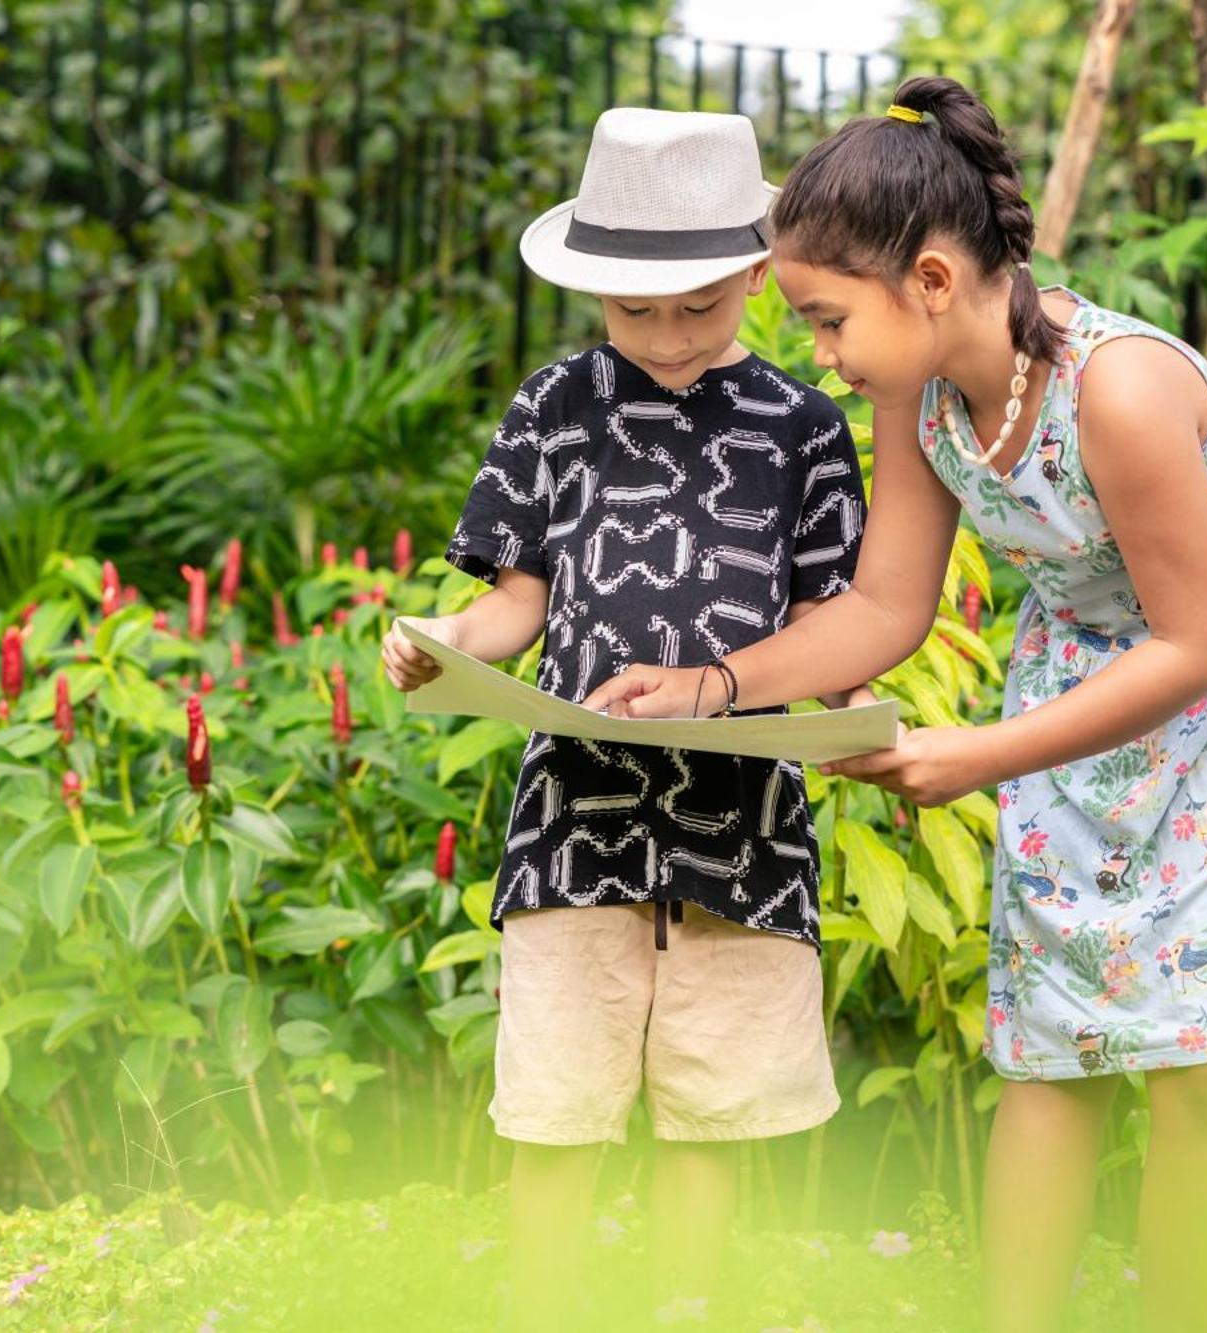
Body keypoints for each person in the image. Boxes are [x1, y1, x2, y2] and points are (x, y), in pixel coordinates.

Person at [583, 78, 1207, 1333]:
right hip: (1083, 667)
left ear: (933, 283)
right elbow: (886, 607)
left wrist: (985, 755)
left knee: (1200, 1063)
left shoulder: (1118, 391)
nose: (819, 359)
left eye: (828, 322)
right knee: (1051, 1041)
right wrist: (711, 685)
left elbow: (1201, 639)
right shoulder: (925, 399)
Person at [381, 107, 867, 1330]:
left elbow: (834, 624)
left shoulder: (803, 429)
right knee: (554, 1097)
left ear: (758, 273)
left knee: (713, 1104)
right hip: (576, 822)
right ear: (590, 286)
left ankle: (683, 1307)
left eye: (698, 307)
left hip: (740, 825)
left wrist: (861, 715)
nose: (665, 335)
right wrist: (443, 644)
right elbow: (513, 606)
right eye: (633, 310)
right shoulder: (553, 407)